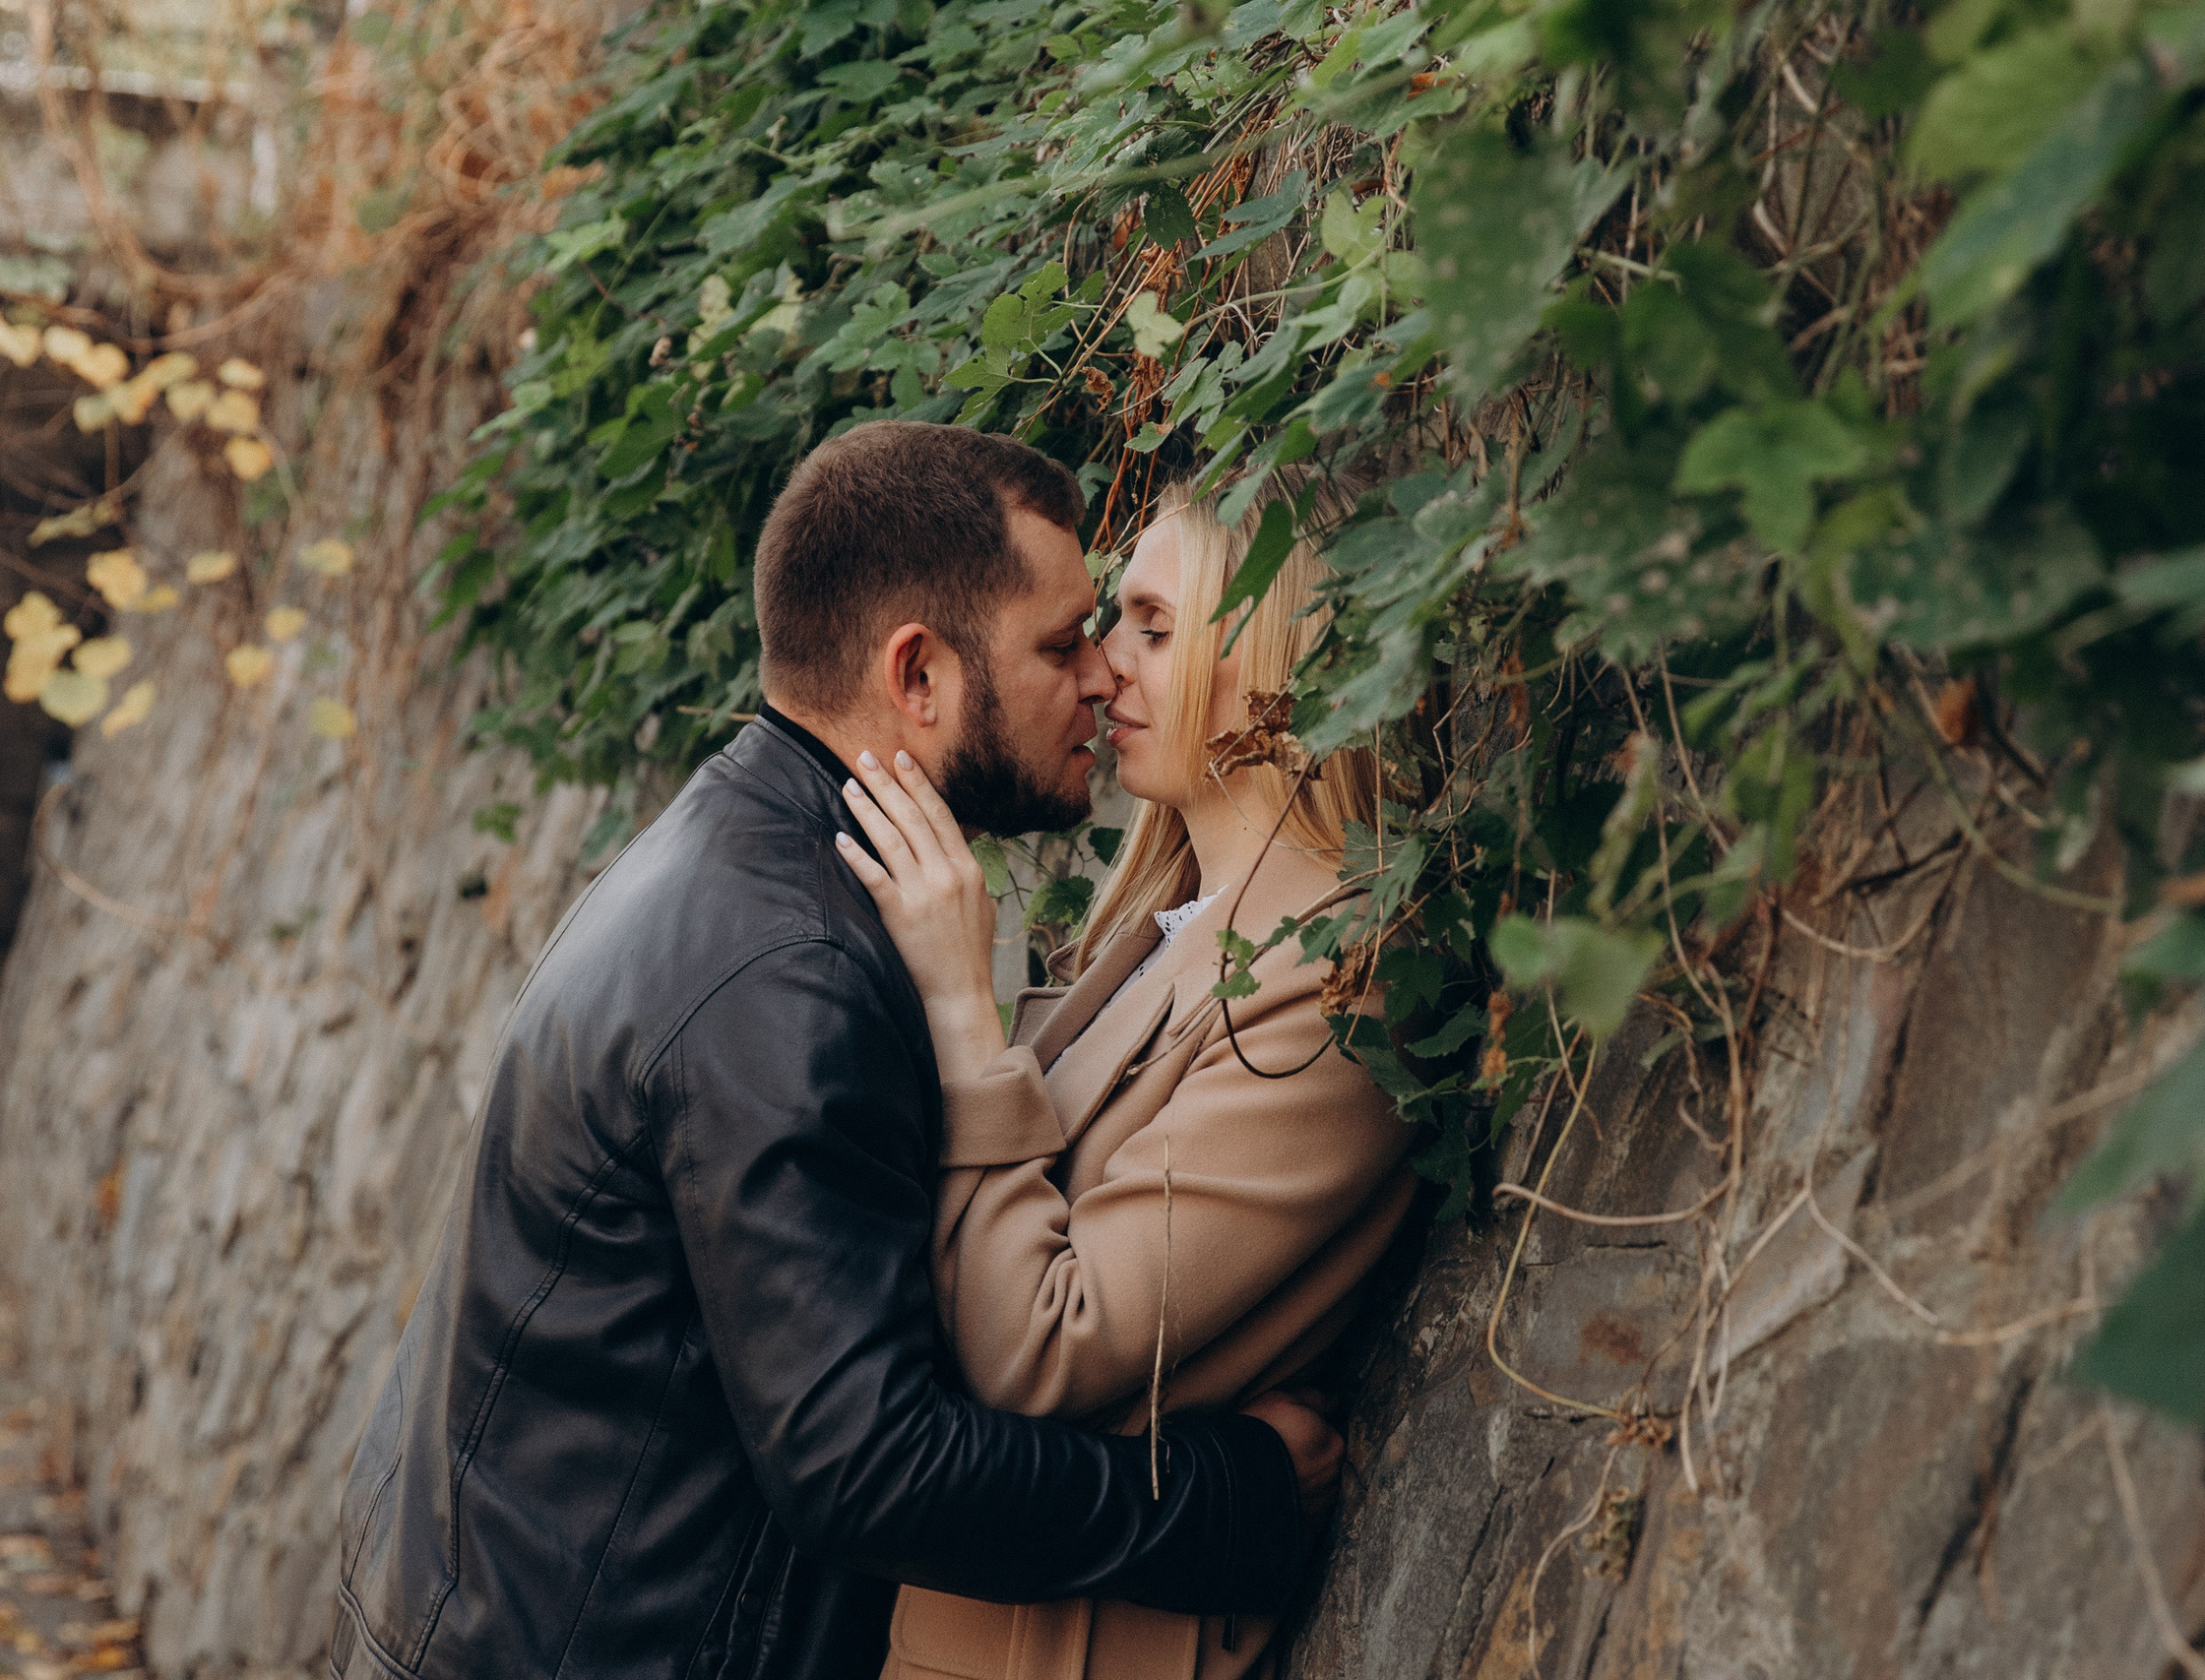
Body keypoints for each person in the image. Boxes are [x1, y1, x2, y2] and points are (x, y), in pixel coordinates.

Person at [329, 423, 1344, 1680]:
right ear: (918, 675)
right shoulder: (791, 969)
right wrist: (1229, 1502)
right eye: (1061, 640)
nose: (1095, 675)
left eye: (1128, 629)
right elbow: (868, 1467)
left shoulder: (732, 854)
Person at [832, 471, 1418, 1680]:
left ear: (1270, 645)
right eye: (1114, 624)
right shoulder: (1161, 925)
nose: (1103, 667)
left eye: (1153, 626)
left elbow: (1042, 1350)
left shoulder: (1335, 970)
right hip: (963, 1626)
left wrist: (958, 1007)